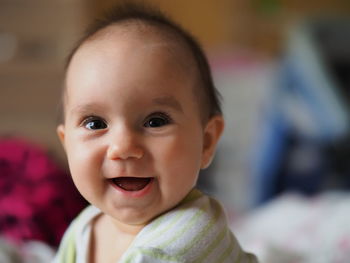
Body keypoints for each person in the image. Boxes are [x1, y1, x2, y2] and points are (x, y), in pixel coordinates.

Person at [53, 2, 258, 263]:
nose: (123, 146)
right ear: (67, 144)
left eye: (155, 121)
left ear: (206, 142)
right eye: (95, 123)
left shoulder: (184, 243)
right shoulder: (86, 226)